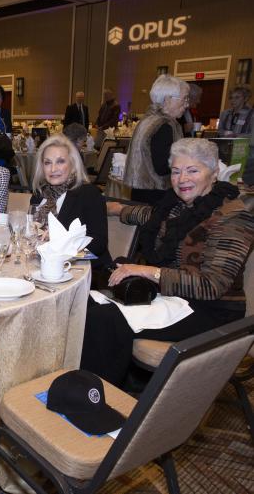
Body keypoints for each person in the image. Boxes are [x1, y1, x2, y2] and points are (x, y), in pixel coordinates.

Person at [80, 138, 254, 387]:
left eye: (193, 170)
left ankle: (99, 397)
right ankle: (91, 386)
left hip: (211, 311)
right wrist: (112, 207)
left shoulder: (232, 218)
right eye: (176, 171)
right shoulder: (177, 206)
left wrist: (150, 272)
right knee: (92, 303)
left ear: (214, 174)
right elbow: (149, 215)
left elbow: (213, 285)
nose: (182, 179)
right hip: (172, 298)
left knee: (106, 319)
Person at [30, 134, 110, 268]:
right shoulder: (39, 194)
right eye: (47, 162)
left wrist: (62, 247)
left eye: (60, 161)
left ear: (73, 165)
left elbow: (98, 246)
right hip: (41, 265)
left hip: (81, 269)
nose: (53, 169)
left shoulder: (89, 194)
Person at [123, 75, 189, 205]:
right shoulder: (164, 125)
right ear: (168, 99)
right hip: (157, 196)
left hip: (142, 191)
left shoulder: (148, 120)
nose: (187, 104)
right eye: (184, 98)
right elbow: (162, 166)